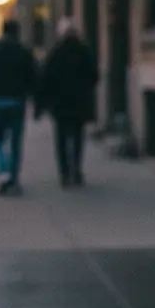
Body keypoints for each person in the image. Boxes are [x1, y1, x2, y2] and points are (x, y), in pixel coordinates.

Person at [36, 18, 98, 187]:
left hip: (60, 104)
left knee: (61, 139)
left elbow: (45, 78)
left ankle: (64, 173)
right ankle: (76, 170)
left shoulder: (56, 52)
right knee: (78, 137)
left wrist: (44, 102)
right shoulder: (84, 51)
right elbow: (94, 76)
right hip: (79, 102)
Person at [0, 20, 37, 196]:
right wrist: (34, 100)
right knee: (15, 142)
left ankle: (3, 173)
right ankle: (13, 176)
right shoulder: (23, 52)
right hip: (17, 102)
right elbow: (32, 77)